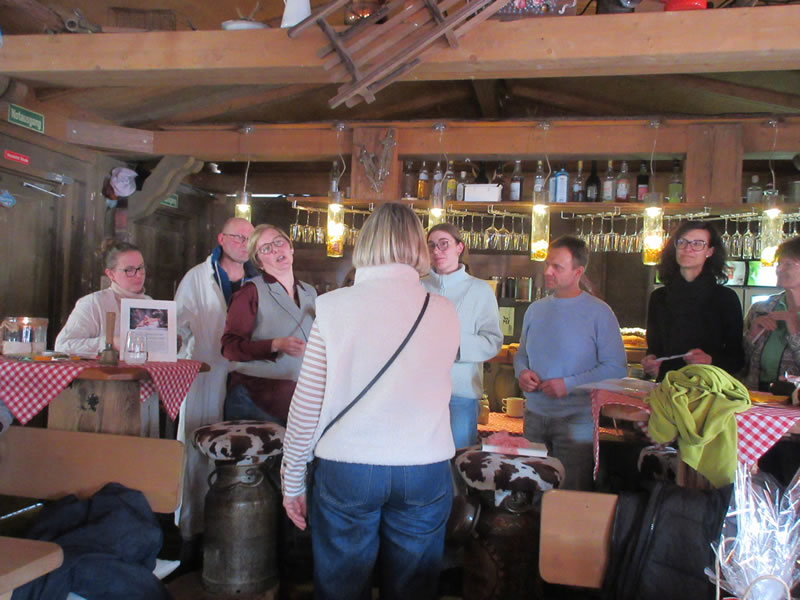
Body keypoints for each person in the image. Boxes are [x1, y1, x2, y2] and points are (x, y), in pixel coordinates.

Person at [281, 202, 460, 600]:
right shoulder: (445, 311)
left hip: (349, 466)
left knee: (342, 588)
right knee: (414, 590)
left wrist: (292, 480)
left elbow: (307, 404)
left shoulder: (332, 307)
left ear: (366, 243)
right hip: (425, 466)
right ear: (418, 244)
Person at [514, 236, 626, 491]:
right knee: (531, 491)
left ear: (578, 272)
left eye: (557, 267)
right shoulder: (535, 310)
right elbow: (521, 355)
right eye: (547, 264)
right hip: (534, 416)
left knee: (570, 494)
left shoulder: (600, 312)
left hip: (576, 419)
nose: (548, 272)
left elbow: (616, 368)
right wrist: (522, 372)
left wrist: (569, 384)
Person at [173, 217, 257, 541]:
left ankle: (239, 532)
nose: (244, 245)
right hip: (206, 375)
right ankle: (193, 532)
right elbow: (177, 327)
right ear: (221, 239)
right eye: (238, 237)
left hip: (246, 379)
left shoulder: (257, 279)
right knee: (198, 453)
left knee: (242, 451)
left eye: (249, 239)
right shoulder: (198, 278)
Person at [220, 224, 317, 424]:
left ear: (290, 247)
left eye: (278, 242)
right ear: (259, 262)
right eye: (265, 248)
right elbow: (229, 347)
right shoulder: (250, 292)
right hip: (255, 399)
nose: (275, 250)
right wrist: (274, 345)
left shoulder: (310, 292)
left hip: (299, 399)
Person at [422, 222, 502, 448]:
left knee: (458, 459)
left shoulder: (480, 290)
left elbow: (493, 341)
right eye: (431, 245)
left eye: (444, 244)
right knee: (420, 459)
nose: (437, 251)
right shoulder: (417, 286)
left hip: (461, 395)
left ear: (460, 247)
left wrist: (454, 346)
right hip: (421, 392)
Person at [642, 221, 744, 381]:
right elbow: (654, 348)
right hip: (666, 386)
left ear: (710, 251)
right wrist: (651, 362)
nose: (688, 249)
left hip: (707, 387)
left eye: (697, 244)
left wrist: (710, 361)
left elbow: (737, 359)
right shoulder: (659, 297)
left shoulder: (725, 298)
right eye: (682, 242)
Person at [55, 239, 150, 355]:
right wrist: (111, 343)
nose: (139, 275)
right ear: (111, 274)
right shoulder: (93, 303)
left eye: (141, 268)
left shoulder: (151, 303)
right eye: (129, 270)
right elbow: (63, 345)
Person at [740, 236, 800, 391]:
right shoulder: (761, 309)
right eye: (778, 264)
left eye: (788, 264)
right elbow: (739, 365)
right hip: (757, 397)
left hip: (794, 400)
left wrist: (794, 330)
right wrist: (752, 335)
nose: (779, 270)